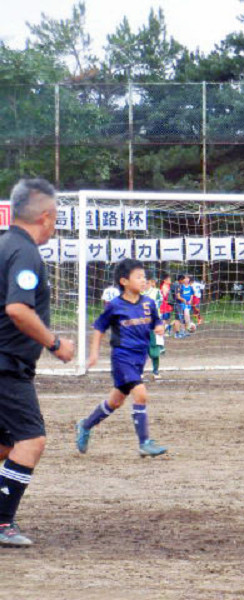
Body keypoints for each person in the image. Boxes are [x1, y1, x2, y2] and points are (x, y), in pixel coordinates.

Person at [0, 178, 75, 546]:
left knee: (4, 444)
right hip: (5, 367)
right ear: (46, 216)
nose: (55, 225)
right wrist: (55, 342)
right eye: (56, 217)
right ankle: (1, 523)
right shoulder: (25, 252)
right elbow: (17, 308)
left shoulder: (2, 245)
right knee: (31, 440)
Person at [75, 258, 168, 459]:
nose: (144, 281)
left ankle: (85, 424)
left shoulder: (148, 303)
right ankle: (144, 443)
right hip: (122, 358)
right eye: (139, 277)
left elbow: (156, 321)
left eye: (144, 277)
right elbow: (99, 327)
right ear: (124, 281)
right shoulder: (115, 306)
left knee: (115, 402)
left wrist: (159, 327)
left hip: (138, 360)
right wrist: (93, 353)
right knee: (141, 394)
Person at [143, 277, 165, 379]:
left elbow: (157, 306)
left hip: (154, 324)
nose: (145, 284)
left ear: (151, 282)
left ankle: (155, 371)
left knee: (154, 351)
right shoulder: (137, 293)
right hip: (141, 325)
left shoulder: (156, 292)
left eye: (147, 282)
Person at [174, 274, 194, 339]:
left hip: (186, 304)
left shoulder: (190, 287)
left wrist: (190, 300)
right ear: (182, 280)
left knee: (185, 318)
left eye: (188, 278)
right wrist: (184, 300)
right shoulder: (179, 286)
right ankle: (178, 333)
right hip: (180, 304)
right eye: (185, 278)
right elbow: (178, 296)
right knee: (180, 318)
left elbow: (192, 294)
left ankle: (184, 331)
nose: (186, 279)